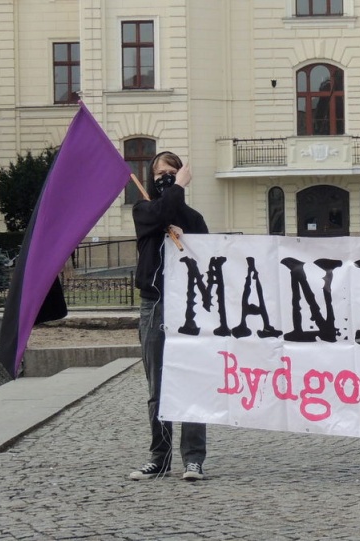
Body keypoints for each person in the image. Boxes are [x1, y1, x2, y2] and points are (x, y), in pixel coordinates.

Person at [129, 151, 209, 481]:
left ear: (181, 176)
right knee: (157, 388)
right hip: (154, 307)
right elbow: (163, 210)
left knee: (190, 382)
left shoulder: (193, 218)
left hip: (188, 309)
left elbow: (207, 257)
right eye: (160, 174)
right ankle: (159, 457)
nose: (166, 178)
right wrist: (175, 188)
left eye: (172, 172)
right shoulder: (144, 210)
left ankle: (193, 458)